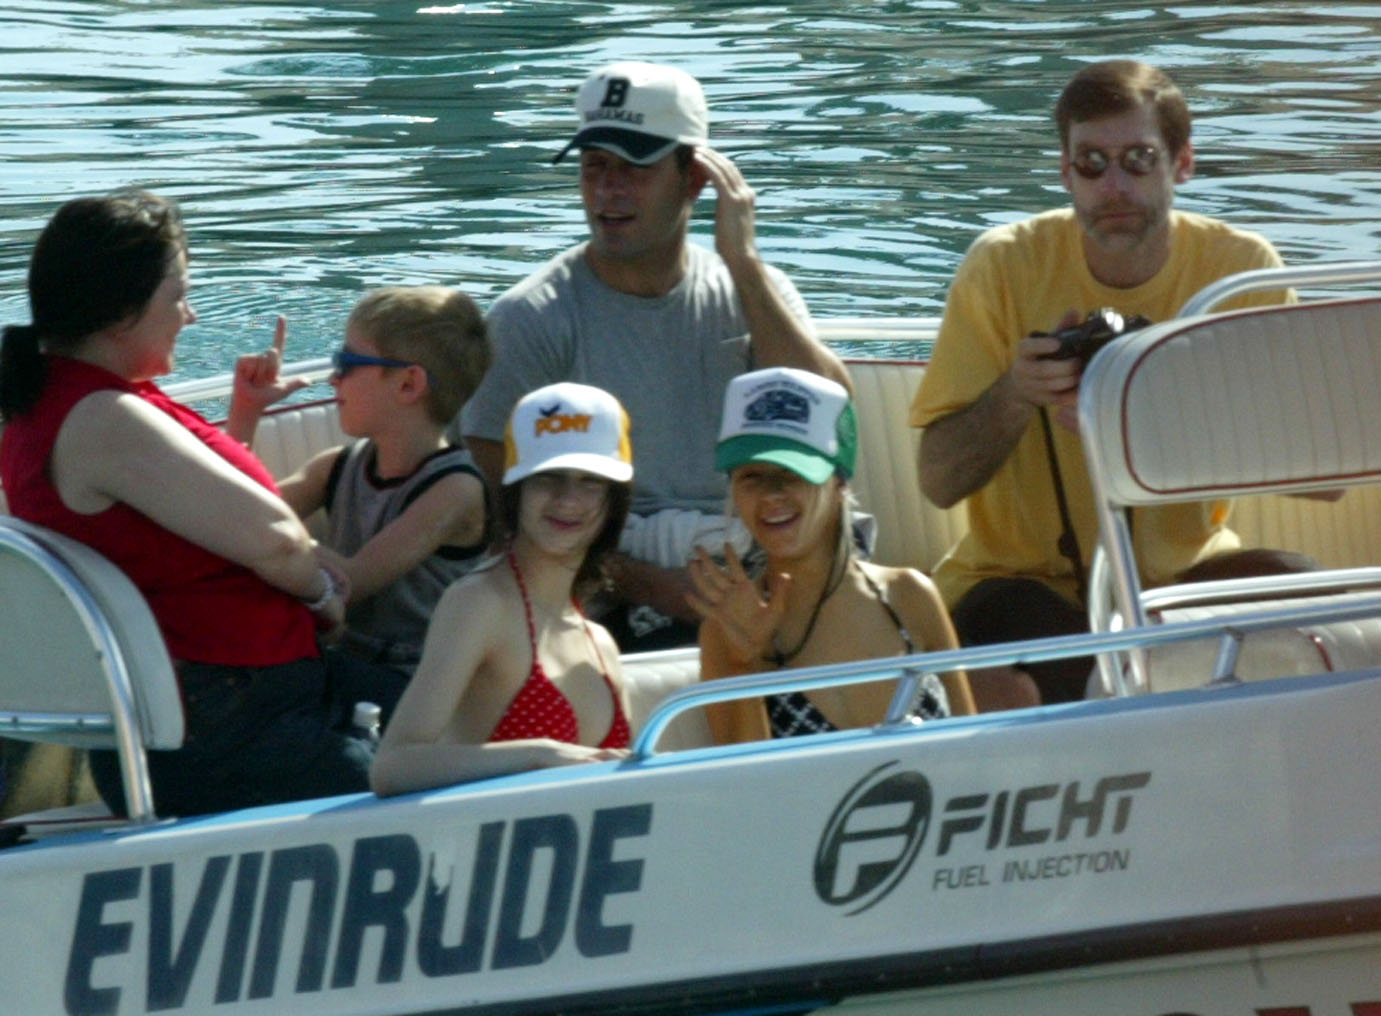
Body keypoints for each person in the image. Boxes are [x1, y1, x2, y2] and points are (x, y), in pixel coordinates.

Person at [0, 190, 407, 817]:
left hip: (229, 709)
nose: (189, 316)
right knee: (450, 750)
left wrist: (244, 417)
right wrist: (324, 598)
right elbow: (276, 540)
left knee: (469, 707)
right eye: (178, 297)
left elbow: (187, 522)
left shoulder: (63, 405)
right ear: (120, 314)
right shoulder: (104, 420)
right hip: (238, 730)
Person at [909, 60, 1295, 710]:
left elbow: (1324, 482)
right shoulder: (1002, 267)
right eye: (1090, 163)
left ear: (1181, 164)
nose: (1113, 186)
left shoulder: (1239, 271)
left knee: (1320, 616)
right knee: (1067, 663)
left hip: (1183, 577)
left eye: (1138, 160)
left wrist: (1156, 419)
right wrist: (1017, 393)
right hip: (1020, 581)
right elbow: (937, 482)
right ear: (1065, 173)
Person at [460, 60, 850, 653]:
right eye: (595, 166)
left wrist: (744, 264)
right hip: (609, 589)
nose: (607, 190)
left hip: (762, 556)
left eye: (634, 167)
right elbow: (501, 509)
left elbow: (833, 422)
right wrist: (649, 585)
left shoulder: (754, 291)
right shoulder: (529, 318)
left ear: (694, 180)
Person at [371, 381, 634, 795]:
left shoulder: (601, 643)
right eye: (548, 478)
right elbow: (392, 766)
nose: (568, 499)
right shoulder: (478, 602)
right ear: (516, 490)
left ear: (613, 502)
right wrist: (538, 756)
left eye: (591, 481)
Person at [688, 368, 976, 743]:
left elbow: (975, 751)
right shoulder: (725, 630)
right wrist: (746, 664)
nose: (771, 495)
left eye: (792, 473)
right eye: (751, 477)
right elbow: (746, 775)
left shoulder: (910, 596)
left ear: (840, 482)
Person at [230, 286, 492, 675]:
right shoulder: (337, 466)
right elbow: (230, 515)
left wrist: (273, 534)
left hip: (415, 680)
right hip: (340, 661)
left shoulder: (455, 490)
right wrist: (246, 411)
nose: (334, 378)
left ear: (408, 384)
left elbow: (350, 583)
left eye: (347, 362)